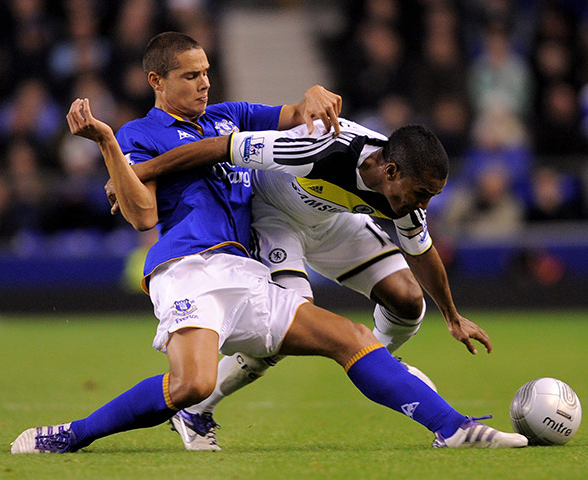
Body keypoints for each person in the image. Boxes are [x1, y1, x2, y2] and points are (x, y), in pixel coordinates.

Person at [11, 32, 526, 453]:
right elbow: (143, 214)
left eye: (207, 72)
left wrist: (314, 95)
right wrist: (107, 147)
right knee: (191, 384)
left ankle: (455, 428)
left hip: (247, 269)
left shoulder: (227, 114)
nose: (204, 84)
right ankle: (72, 435)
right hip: (190, 267)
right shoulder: (137, 133)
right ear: (156, 81)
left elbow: (295, 111)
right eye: (191, 76)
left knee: (351, 337)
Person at [108, 116, 492, 451]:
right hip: (275, 222)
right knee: (287, 328)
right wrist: (139, 173)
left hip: (334, 223)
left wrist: (452, 316)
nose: (424, 205)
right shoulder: (317, 148)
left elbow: (421, 252)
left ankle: (382, 365)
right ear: (390, 172)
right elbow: (218, 147)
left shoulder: (405, 194)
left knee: (409, 300)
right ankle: (194, 409)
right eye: (423, 194)